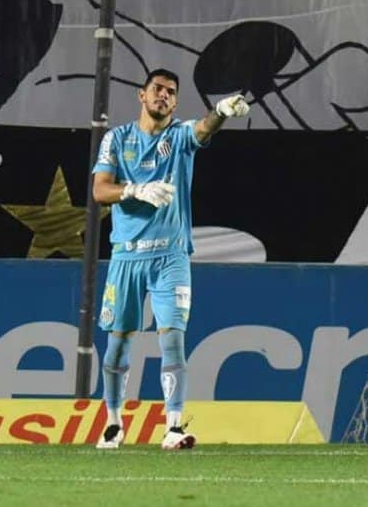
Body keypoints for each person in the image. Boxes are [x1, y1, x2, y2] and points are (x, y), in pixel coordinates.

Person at [90, 68, 249, 450]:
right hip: (126, 257)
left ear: (175, 102)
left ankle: (173, 427)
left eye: (171, 92)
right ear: (141, 95)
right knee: (117, 343)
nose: (163, 95)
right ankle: (113, 424)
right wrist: (135, 190)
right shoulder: (117, 139)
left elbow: (203, 130)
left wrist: (221, 112)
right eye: (157, 89)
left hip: (171, 257)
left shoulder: (178, 137)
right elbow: (99, 191)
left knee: (172, 340)